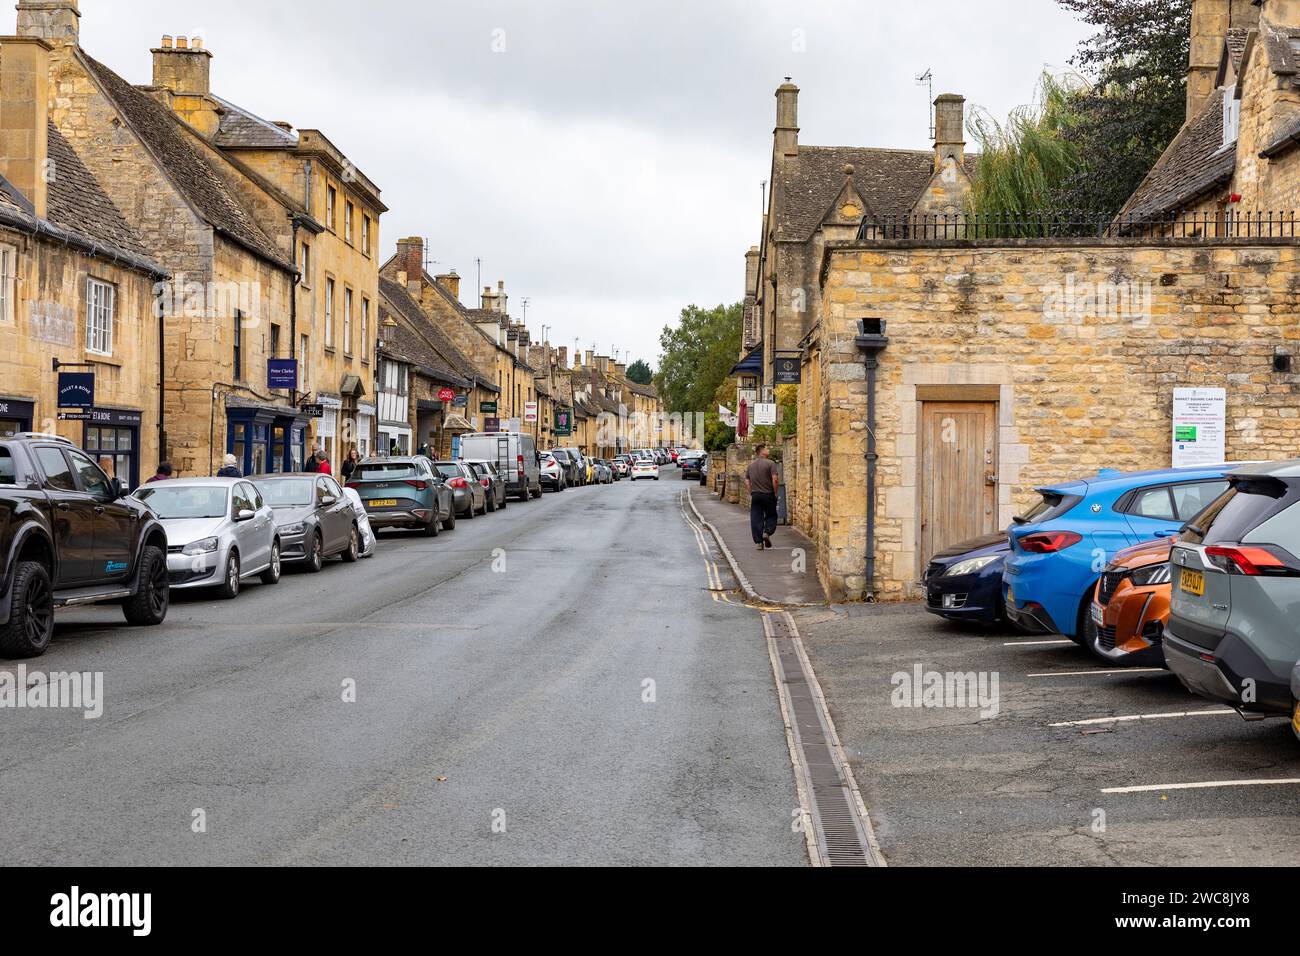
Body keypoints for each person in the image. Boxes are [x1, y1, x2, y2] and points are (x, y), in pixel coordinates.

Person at [745, 444, 780, 551]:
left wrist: (751, 492)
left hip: (755, 495)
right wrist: (775, 492)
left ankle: (759, 542)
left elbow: (747, 481)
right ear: (761, 451)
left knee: (756, 518)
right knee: (771, 515)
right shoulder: (770, 463)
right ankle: (767, 531)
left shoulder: (751, 466)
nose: (768, 450)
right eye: (766, 448)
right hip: (768, 494)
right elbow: (775, 479)